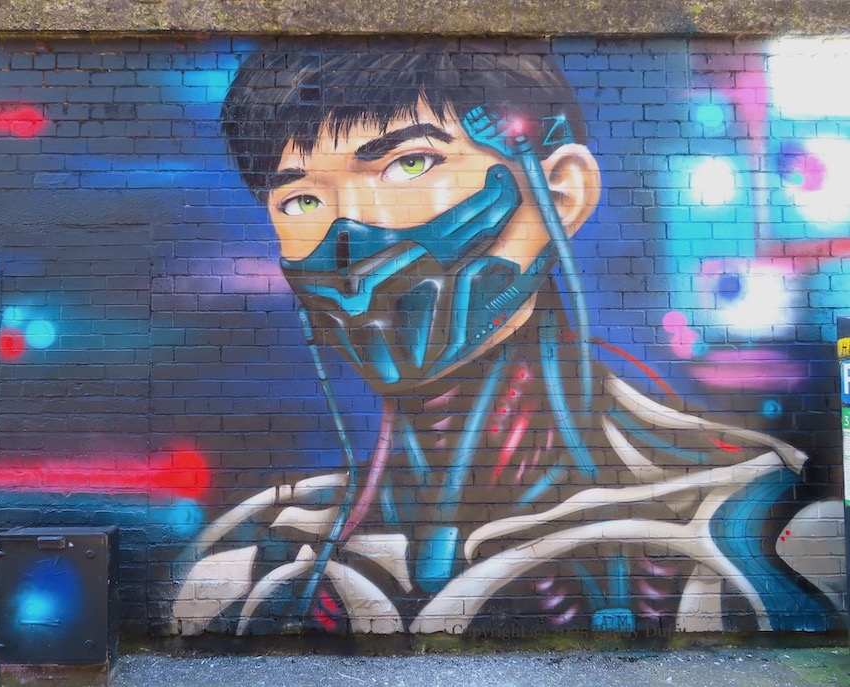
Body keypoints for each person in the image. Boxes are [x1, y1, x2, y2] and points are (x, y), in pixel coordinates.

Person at [172, 40, 839, 636]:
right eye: (301, 201)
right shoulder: (264, 557)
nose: (352, 238)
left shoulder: (751, 523)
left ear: (561, 193)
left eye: (410, 163)